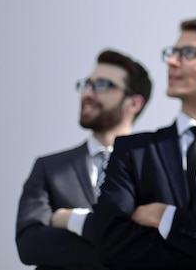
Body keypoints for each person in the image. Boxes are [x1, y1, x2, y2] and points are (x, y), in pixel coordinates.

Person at [95, 17, 196, 270]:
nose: (173, 62)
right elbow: (111, 243)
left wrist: (166, 218)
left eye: (188, 53)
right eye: (173, 53)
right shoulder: (132, 151)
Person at [16, 49, 152, 270]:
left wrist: (74, 221)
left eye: (101, 85)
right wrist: (123, 245)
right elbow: (30, 244)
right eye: (86, 85)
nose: (87, 94)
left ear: (134, 103)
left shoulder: (156, 169)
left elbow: (162, 245)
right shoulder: (50, 168)